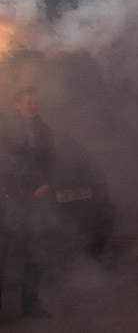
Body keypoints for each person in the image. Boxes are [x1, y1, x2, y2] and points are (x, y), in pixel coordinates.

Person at [0, 86, 55, 319]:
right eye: (29, 102)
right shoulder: (5, 128)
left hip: (36, 198)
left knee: (35, 252)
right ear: (17, 105)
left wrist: (47, 184)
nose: (33, 106)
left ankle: (31, 305)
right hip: (11, 198)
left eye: (36, 102)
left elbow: (52, 161)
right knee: (4, 253)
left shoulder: (43, 129)